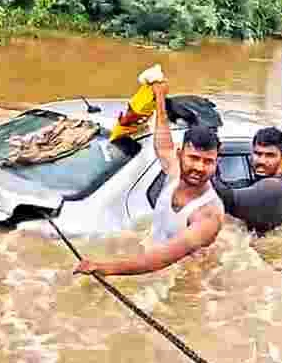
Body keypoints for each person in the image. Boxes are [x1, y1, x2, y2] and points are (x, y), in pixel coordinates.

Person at [74, 80, 225, 277]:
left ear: (216, 162)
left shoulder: (208, 215)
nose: (199, 167)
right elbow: (163, 145)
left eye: (207, 161)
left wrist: (104, 268)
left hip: (185, 278)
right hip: (150, 253)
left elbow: (162, 259)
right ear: (180, 154)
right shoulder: (174, 171)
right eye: (194, 158)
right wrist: (160, 98)